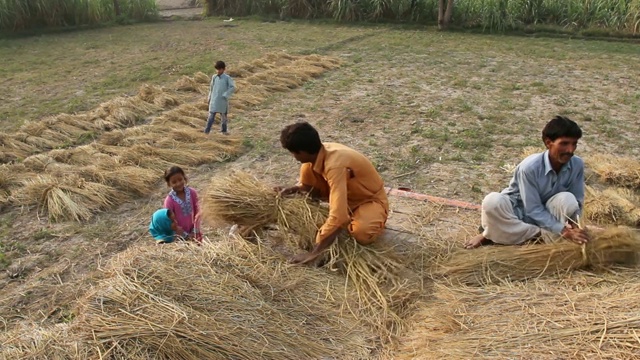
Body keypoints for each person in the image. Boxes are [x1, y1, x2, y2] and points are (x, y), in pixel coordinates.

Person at [465, 116, 590, 249]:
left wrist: (577, 227)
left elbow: (578, 200)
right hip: (519, 215)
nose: (570, 150)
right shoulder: (529, 167)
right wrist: (564, 231)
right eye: (564, 144)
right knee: (492, 202)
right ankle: (495, 234)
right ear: (548, 143)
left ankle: (498, 234)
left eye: (574, 144)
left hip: (549, 215)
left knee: (569, 199)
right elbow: (532, 209)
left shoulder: (577, 164)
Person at [276, 122, 389, 264]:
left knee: (362, 233)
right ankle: (338, 219)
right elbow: (309, 186)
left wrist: (315, 253)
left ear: (302, 152)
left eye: (294, 153)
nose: (294, 157)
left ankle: (367, 218)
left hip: (368, 200)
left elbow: (339, 218)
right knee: (307, 169)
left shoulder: (335, 165)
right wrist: (295, 189)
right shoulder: (317, 153)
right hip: (345, 198)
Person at [163, 166, 202, 243]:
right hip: (179, 237)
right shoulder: (169, 200)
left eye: (180, 179)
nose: (178, 183)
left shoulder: (192, 192)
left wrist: (195, 230)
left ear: (184, 178)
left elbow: (198, 211)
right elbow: (169, 221)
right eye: (174, 182)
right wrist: (185, 235)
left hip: (195, 232)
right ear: (169, 184)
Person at [204, 60, 235, 135]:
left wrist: (226, 94)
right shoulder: (214, 77)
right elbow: (211, 88)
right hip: (214, 100)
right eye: (217, 69)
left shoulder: (227, 78)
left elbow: (232, 87)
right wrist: (209, 97)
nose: (218, 71)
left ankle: (224, 131)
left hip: (222, 101)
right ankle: (206, 131)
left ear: (223, 69)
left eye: (219, 69)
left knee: (223, 117)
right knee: (211, 116)